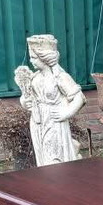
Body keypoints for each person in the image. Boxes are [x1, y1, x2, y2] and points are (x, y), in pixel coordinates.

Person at [14, 34, 85, 166]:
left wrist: (66, 113)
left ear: (45, 57)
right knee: (42, 158)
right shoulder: (35, 78)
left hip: (54, 122)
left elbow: (79, 98)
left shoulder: (59, 77)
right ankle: (47, 184)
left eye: (34, 58)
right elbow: (27, 98)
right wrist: (24, 101)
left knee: (54, 157)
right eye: (31, 58)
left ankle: (60, 184)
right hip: (37, 121)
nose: (31, 61)